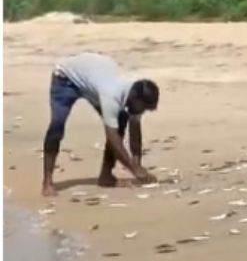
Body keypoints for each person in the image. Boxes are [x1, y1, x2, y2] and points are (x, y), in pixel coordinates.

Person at [41, 52, 159, 197]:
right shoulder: (111, 95)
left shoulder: (138, 92)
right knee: (57, 127)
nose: (142, 112)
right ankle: (47, 182)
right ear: (133, 97)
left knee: (121, 122)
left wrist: (138, 165)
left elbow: (134, 127)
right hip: (65, 79)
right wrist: (134, 170)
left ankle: (106, 177)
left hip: (94, 79)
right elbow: (112, 137)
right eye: (142, 108)